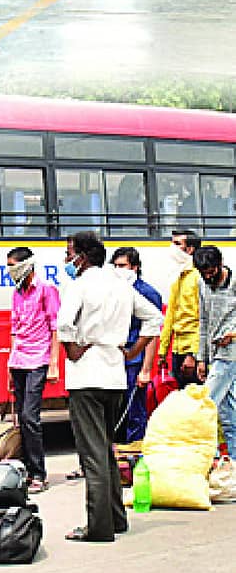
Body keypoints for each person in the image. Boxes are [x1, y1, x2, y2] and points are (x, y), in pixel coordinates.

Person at [56, 231, 162, 543]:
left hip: (86, 377)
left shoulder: (79, 286)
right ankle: (117, 518)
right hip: (115, 376)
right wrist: (132, 351)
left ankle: (98, 527)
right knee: (106, 449)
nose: (66, 259)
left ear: (82, 257)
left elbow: (63, 324)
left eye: (69, 253)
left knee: (93, 456)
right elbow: (154, 319)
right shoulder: (121, 286)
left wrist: (72, 351)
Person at [6, 247, 60, 493]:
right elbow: (14, 330)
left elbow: (55, 327)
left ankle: (39, 472)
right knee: (20, 418)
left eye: (13, 265)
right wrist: (9, 365)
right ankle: (25, 470)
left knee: (30, 416)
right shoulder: (17, 293)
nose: (10, 271)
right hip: (19, 359)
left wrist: (54, 364)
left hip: (39, 358)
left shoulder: (46, 290)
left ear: (27, 266)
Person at [109, 247, 162, 443]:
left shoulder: (147, 293)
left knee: (135, 412)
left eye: (122, 266)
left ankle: (134, 456)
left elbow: (152, 333)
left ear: (135, 267)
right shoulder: (113, 291)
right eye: (115, 266)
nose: (118, 270)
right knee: (115, 411)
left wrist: (146, 369)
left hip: (135, 360)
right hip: (114, 359)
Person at [195, 245, 236, 455]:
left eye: (212, 273)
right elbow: (203, 321)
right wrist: (201, 359)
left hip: (231, 353)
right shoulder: (202, 284)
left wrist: (233, 334)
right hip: (214, 353)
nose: (208, 277)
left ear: (220, 265)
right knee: (228, 414)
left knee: (205, 404)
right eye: (204, 274)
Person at [158, 228, 203, 388]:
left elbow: (202, 319)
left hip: (192, 350)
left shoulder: (198, 277)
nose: (172, 248)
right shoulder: (178, 275)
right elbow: (170, 315)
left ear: (190, 249)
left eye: (177, 244)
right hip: (177, 348)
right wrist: (162, 351)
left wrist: (193, 354)